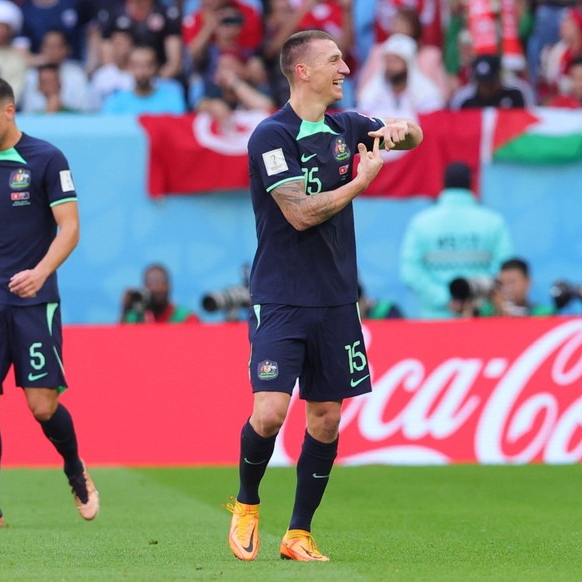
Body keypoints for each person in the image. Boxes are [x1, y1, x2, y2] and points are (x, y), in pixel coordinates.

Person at [226, 30, 422, 562]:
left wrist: (402, 130)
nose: (345, 67)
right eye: (334, 60)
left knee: (326, 417)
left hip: (336, 298)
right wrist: (362, 181)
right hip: (282, 295)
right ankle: (246, 503)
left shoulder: (348, 125)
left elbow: (417, 136)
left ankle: (299, 533)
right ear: (302, 71)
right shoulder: (271, 136)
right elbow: (300, 212)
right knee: (268, 413)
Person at [0, 74, 98, 528]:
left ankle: (75, 468)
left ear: (9, 111)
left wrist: (40, 273)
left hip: (35, 301)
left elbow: (69, 227)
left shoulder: (46, 158)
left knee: (42, 406)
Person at [400, 161, 514, 319]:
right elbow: (505, 269)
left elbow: (411, 271)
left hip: (435, 319)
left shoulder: (421, 223)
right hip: (483, 316)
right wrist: (474, 299)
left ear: (444, 184)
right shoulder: (494, 222)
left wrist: (445, 299)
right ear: (471, 184)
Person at [101, 45, 185, 114]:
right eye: (136, 66)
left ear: (155, 67)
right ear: (129, 68)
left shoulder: (171, 98)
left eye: (147, 66)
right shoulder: (116, 101)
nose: (142, 72)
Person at [119, 263, 199, 323]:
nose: (155, 288)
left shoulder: (186, 319)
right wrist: (125, 311)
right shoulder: (135, 318)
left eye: (159, 282)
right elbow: (120, 342)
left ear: (168, 286)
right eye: (149, 283)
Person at [449, 53, 532, 110]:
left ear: (498, 76)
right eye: (482, 84)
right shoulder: (465, 100)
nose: (486, 88)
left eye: (490, 84)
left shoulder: (516, 93)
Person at [477, 258, 555, 316]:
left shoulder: (544, 313)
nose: (506, 287)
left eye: (511, 282)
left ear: (528, 282)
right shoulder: (486, 312)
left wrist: (510, 312)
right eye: (501, 283)